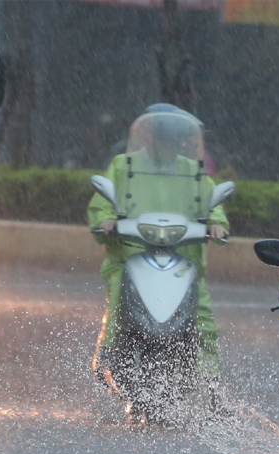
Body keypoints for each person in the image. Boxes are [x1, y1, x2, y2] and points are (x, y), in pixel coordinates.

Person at [87, 104, 230, 384]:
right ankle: (108, 356)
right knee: (119, 296)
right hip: (131, 256)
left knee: (204, 320)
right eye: (164, 137)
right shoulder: (123, 165)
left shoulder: (194, 171)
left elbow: (211, 202)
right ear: (149, 135)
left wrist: (217, 222)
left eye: (176, 138)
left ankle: (213, 386)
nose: (170, 143)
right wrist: (106, 220)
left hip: (183, 261)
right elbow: (103, 201)